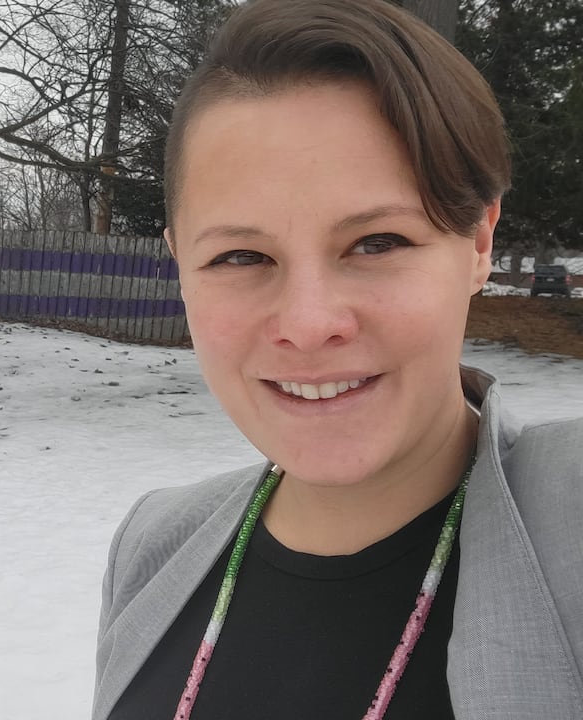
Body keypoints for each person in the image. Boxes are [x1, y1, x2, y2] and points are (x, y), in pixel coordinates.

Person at [94, 1, 583, 718]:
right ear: (180, 267)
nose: (308, 324)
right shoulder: (153, 547)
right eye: (240, 256)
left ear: (479, 244)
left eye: (378, 243)